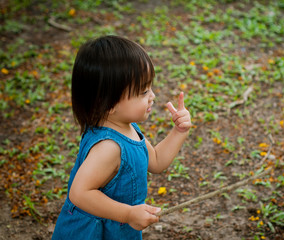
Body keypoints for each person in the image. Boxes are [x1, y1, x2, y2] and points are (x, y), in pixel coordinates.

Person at [52, 35, 192, 240]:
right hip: (91, 234)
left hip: (117, 229)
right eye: (143, 91)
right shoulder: (108, 147)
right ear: (107, 103)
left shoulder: (127, 127)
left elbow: (156, 161)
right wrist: (127, 213)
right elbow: (79, 193)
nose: (152, 95)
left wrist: (179, 132)